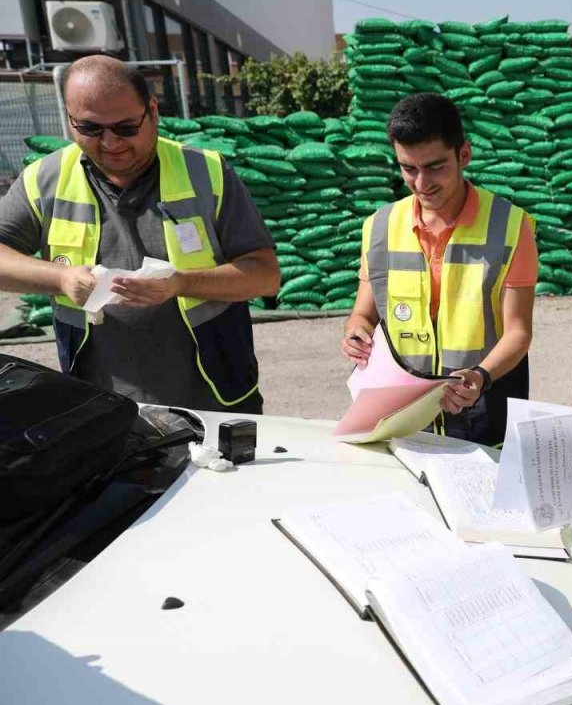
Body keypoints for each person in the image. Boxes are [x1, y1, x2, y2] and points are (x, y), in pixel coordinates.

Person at [0, 56, 278, 413]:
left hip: (215, 397)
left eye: (126, 127)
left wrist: (181, 284)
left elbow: (265, 275)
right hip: (98, 403)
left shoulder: (206, 173)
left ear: (152, 111)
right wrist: (62, 277)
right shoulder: (44, 180)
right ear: (69, 119)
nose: (111, 142)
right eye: (90, 128)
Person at [342, 93, 537, 446]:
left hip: (483, 410)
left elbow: (518, 332)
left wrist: (480, 376)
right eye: (408, 168)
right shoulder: (379, 227)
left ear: (464, 154)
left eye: (435, 167)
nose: (421, 183)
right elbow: (363, 313)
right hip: (402, 413)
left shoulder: (510, 227)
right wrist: (356, 333)